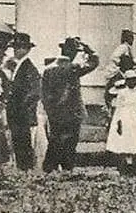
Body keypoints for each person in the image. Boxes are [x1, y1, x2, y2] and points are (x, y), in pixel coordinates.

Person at [41, 37, 100, 173]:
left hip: (55, 113)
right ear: (72, 52)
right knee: (70, 143)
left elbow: (44, 94)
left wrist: (50, 111)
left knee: (55, 140)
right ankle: (66, 169)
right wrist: (89, 49)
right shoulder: (73, 68)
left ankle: (50, 169)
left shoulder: (48, 69)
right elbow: (94, 62)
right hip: (72, 113)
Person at [6, 33, 41, 171]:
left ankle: (25, 170)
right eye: (15, 47)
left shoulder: (29, 67)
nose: (16, 50)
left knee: (23, 144)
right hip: (17, 113)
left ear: (27, 49)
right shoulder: (18, 66)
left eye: (20, 47)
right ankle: (23, 170)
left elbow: (35, 92)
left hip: (22, 114)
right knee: (19, 143)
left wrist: (22, 107)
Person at [106, 69, 136, 176]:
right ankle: (123, 164)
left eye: (135, 80)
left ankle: (134, 163)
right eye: (130, 80)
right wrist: (118, 122)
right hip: (124, 117)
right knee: (124, 140)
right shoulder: (122, 93)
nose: (133, 82)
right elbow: (119, 107)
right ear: (126, 81)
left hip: (135, 117)